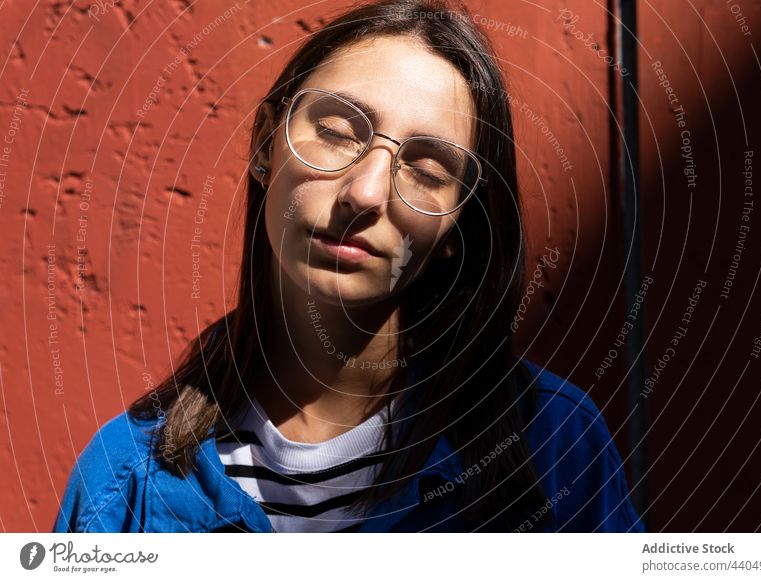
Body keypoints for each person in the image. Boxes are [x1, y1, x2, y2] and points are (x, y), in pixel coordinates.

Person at [52, 0, 645, 533]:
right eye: (337, 132)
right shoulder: (125, 485)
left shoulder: (554, 448)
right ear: (266, 142)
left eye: (428, 168)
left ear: (457, 230)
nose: (365, 193)